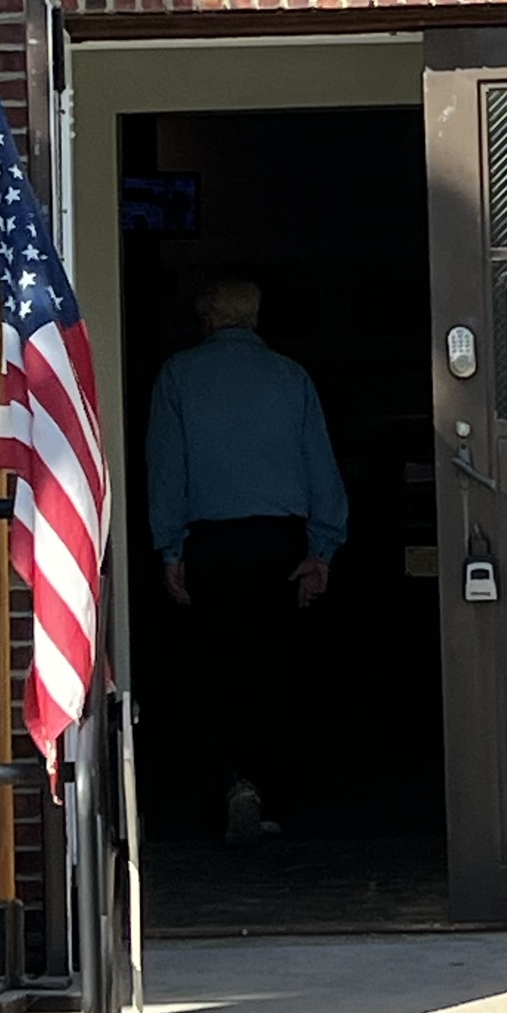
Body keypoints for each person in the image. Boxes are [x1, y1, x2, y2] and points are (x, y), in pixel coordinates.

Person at [146, 276, 348, 845]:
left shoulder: (178, 375)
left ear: (206, 318)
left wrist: (171, 549)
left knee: (214, 672)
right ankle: (274, 795)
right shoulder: (291, 376)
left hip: (210, 544)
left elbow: (168, 471)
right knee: (277, 672)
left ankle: (228, 789)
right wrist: (322, 549)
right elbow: (321, 468)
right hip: (281, 543)